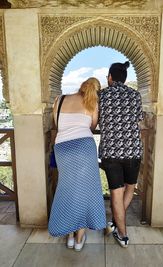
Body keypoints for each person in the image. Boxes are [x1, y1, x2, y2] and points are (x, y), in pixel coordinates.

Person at [48, 77, 106, 251]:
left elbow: (57, 123)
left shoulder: (60, 99)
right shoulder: (92, 103)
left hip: (63, 148)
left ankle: (69, 236)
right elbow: (92, 125)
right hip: (84, 148)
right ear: (95, 91)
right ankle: (79, 239)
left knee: (66, 189)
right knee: (85, 191)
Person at [99, 61, 143, 248]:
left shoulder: (101, 95)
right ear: (124, 79)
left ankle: (121, 232)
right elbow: (139, 119)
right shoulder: (135, 95)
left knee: (116, 193)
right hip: (133, 151)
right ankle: (118, 225)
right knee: (130, 188)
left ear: (110, 77)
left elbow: (95, 121)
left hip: (111, 152)